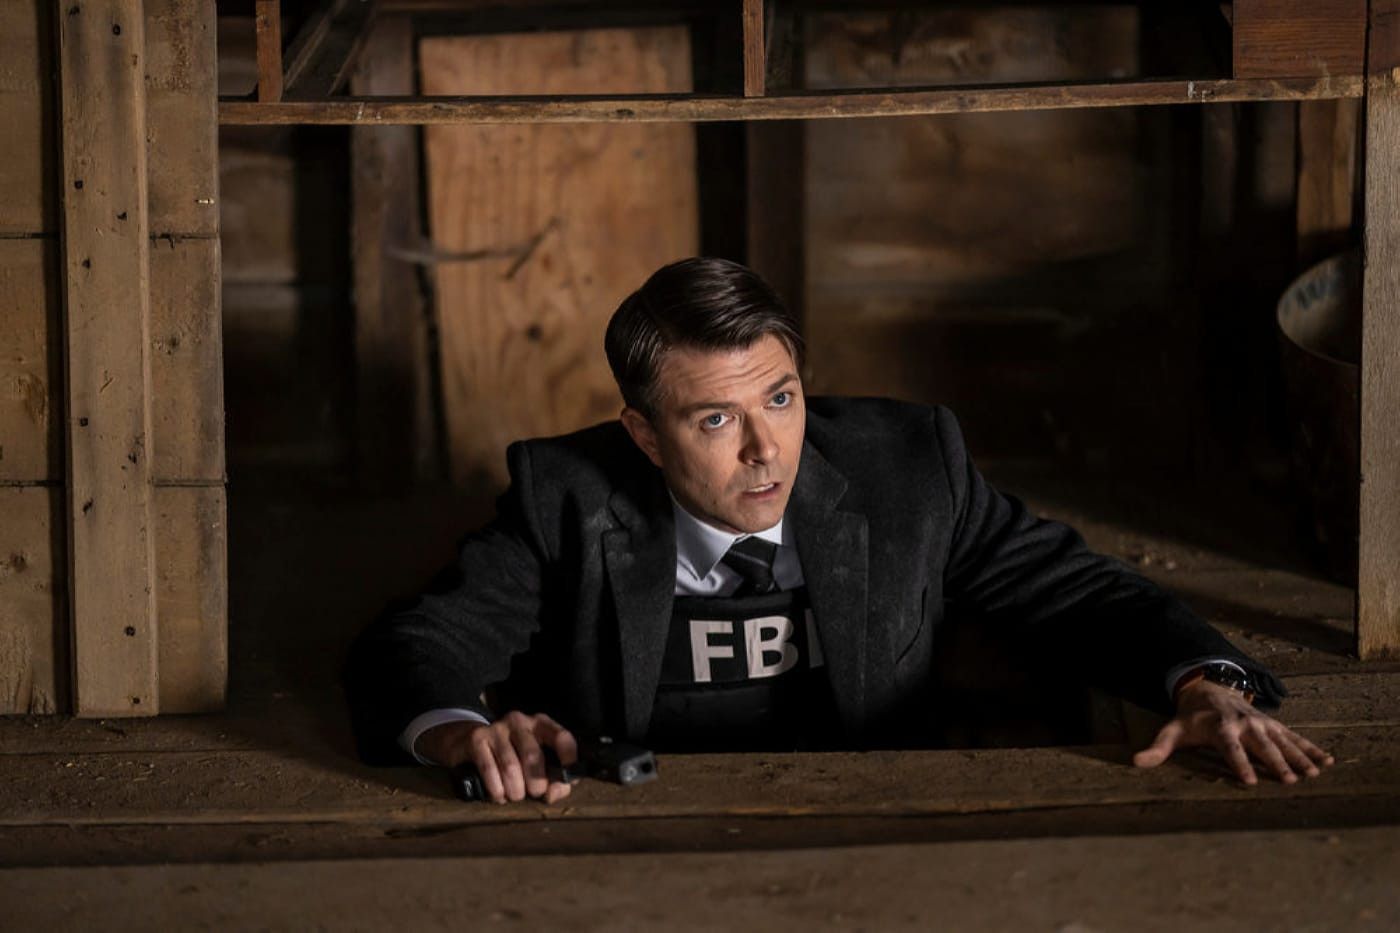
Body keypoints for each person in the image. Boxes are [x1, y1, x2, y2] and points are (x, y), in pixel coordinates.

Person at [345, 257, 1333, 805]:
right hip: (630, 842)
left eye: (780, 398)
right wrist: (467, 735)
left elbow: (1073, 589)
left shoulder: (908, 467)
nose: (764, 449)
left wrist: (1206, 687)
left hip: (872, 823)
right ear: (643, 435)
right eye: (715, 419)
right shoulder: (566, 495)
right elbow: (422, 642)